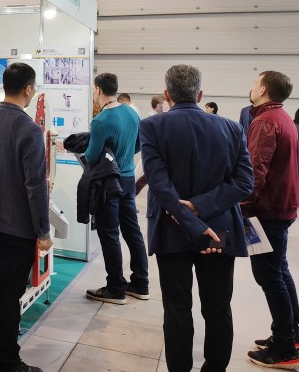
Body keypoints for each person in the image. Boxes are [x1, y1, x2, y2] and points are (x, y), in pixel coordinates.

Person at [140, 65, 254, 372]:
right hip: (220, 230)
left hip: (171, 229)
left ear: (166, 94)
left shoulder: (152, 126)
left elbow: (159, 184)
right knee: (218, 307)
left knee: (177, 308)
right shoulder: (232, 128)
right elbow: (245, 182)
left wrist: (191, 218)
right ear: (200, 94)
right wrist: (202, 210)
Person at [0, 62, 51, 372]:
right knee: (7, 295)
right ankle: (8, 362)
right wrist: (43, 231)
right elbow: (35, 186)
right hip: (17, 229)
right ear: (28, 90)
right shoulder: (28, 129)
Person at [244, 71, 299, 369]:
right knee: (279, 271)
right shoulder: (281, 117)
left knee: (270, 276)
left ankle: (285, 350)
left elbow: (255, 172)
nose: (252, 87)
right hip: (281, 207)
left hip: (267, 211)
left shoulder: (266, 122)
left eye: (255, 82)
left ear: (263, 89)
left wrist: (241, 208)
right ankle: (291, 335)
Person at [85, 72, 149, 305]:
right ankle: (140, 284)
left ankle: (115, 288)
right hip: (128, 178)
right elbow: (139, 144)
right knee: (132, 231)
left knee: (109, 233)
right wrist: (123, 155)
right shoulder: (131, 113)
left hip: (109, 182)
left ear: (98, 90)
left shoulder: (101, 121)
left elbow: (91, 156)